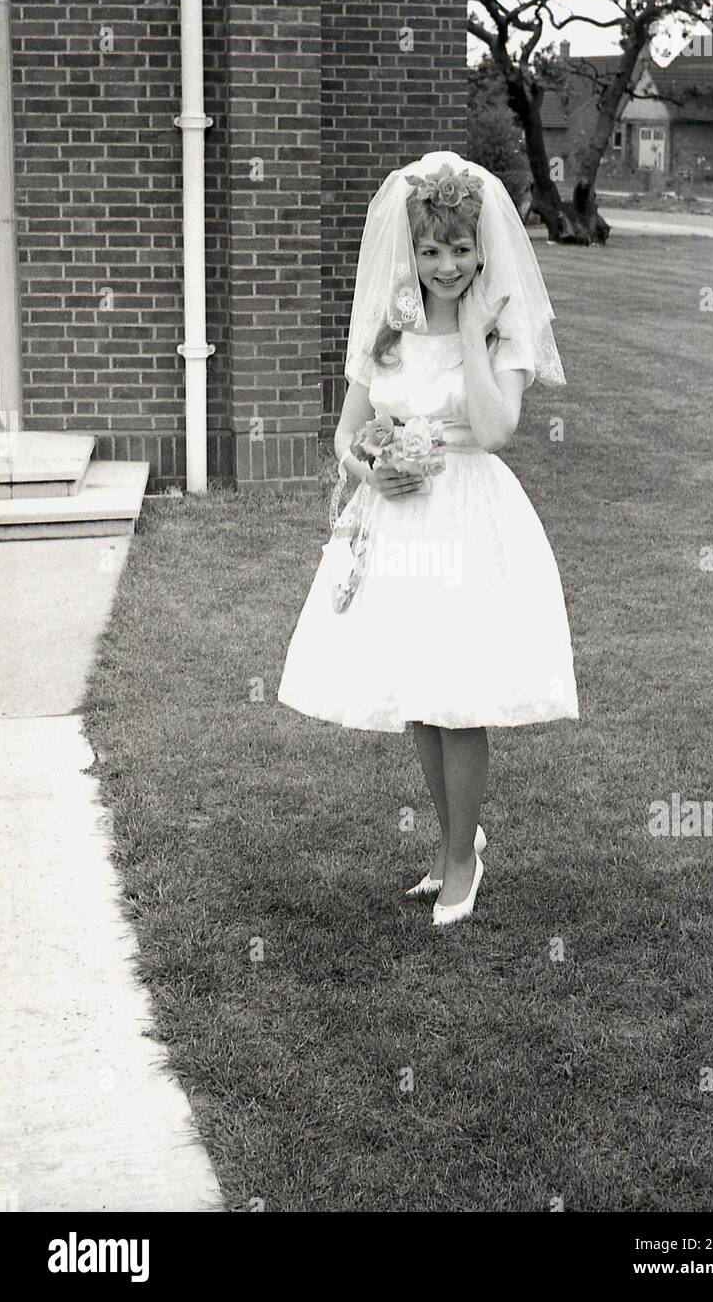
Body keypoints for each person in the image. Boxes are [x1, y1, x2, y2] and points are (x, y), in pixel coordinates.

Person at [277, 151, 579, 929]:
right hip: (399, 517)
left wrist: (475, 334)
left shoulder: (501, 328)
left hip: (469, 516)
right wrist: (371, 470)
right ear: (410, 254)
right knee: (419, 690)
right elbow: (346, 437)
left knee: (458, 692)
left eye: (460, 247)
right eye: (431, 250)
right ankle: (453, 841)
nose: (446, 265)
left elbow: (495, 429)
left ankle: (462, 860)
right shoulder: (389, 331)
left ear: (483, 247)